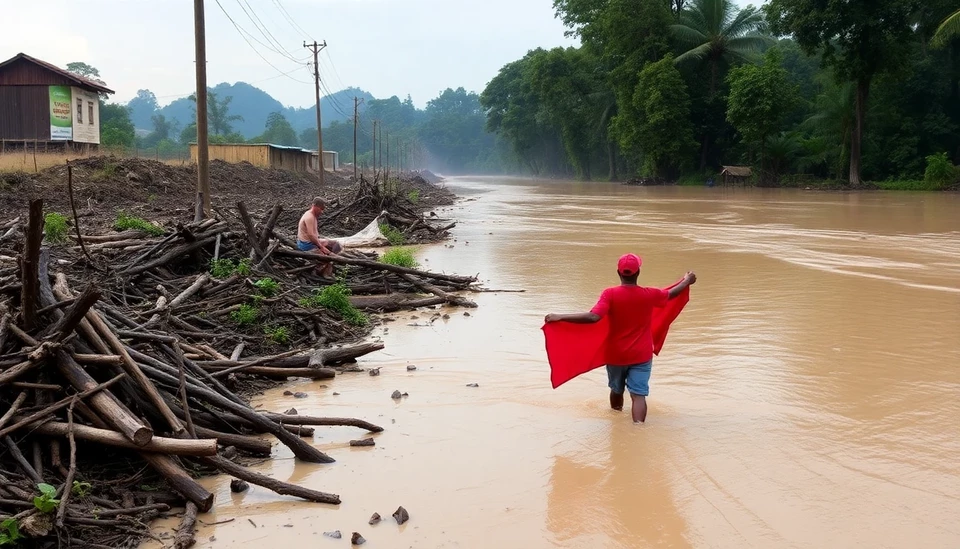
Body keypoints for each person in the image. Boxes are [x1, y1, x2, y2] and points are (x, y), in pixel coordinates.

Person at [544, 254, 696, 424]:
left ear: (619, 273)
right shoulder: (649, 294)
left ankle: (615, 423)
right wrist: (686, 281)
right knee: (638, 395)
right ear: (638, 272)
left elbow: (593, 317)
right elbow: (671, 294)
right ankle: (638, 430)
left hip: (616, 354)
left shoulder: (610, 294)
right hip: (641, 355)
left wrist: (560, 317)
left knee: (616, 389)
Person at [297, 197, 342, 279]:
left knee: (336, 245)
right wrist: (321, 247)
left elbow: (314, 234)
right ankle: (322, 270)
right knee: (328, 256)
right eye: (321, 209)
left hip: (312, 242)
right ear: (315, 206)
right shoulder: (309, 217)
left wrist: (322, 241)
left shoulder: (313, 216)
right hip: (307, 245)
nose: (322, 211)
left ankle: (326, 264)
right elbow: (311, 235)